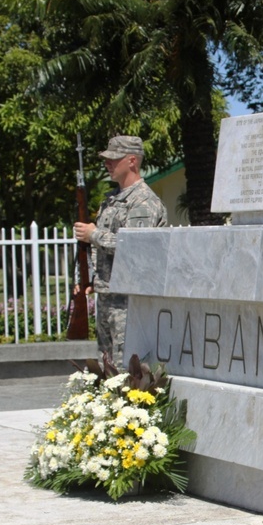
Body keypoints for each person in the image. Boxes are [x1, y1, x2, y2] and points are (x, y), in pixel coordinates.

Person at [74, 136, 168, 368]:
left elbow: (136, 248)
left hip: (129, 300)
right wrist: (91, 280)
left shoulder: (143, 202)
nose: (108, 164)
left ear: (132, 161)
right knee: (107, 366)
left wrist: (93, 234)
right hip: (108, 295)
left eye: (114, 159)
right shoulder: (112, 200)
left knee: (126, 369)